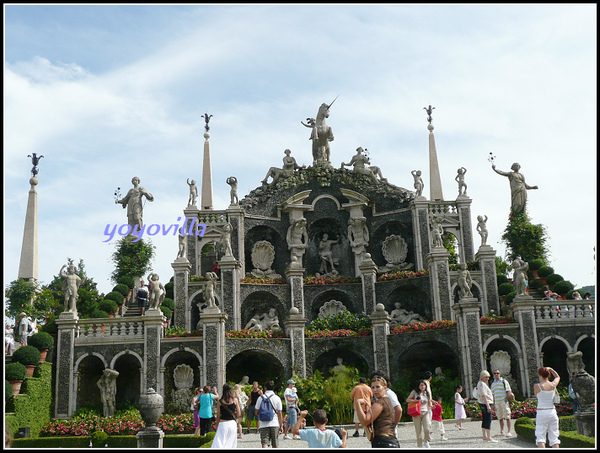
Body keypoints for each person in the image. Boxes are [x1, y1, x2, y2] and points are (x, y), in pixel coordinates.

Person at [355, 375, 400, 448]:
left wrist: (357, 404)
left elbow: (364, 421)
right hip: (391, 439)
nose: (375, 390)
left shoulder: (380, 403)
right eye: (372, 387)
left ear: (385, 388)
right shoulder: (388, 400)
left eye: (378, 387)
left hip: (382, 441)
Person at [534, 367, 561, 448]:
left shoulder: (537, 386)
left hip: (542, 412)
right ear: (548, 374)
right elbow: (557, 377)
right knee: (554, 438)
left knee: (540, 437)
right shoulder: (553, 385)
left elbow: (536, 395)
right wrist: (551, 369)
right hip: (552, 411)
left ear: (540, 375)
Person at [211, 383, 242, 449]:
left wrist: (216, 425)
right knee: (231, 445)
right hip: (232, 424)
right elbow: (239, 414)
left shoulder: (220, 402)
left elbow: (218, 416)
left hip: (223, 424)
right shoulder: (235, 400)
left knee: (219, 444)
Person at [255, 380, 283, 448]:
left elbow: (256, 412)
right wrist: (281, 425)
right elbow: (280, 413)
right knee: (275, 444)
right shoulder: (277, 398)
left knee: (264, 443)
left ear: (265, 388)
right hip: (274, 423)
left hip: (263, 424)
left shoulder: (260, 398)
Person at [406, 380, 433, 448]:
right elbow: (407, 400)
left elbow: (429, 403)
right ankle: (419, 446)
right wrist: (415, 400)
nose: (422, 387)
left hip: (425, 412)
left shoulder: (427, 393)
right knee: (418, 431)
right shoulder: (415, 392)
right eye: (421, 385)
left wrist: (432, 406)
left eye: (424, 385)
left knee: (427, 429)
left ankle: (426, 441)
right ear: (418, 386)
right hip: (416, 412)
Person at [490, 369, 513, 437]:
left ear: (500, 374)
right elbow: (493, 394)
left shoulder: (504, 381)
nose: (496, 374)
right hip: (497, 402)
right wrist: (493, 404)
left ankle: (509, 431)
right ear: (493, 375)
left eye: (497, 373)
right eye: (495, 373)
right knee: (500, 417)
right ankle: (502, 431)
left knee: (507, 416)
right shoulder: (493, 384)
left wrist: (505, 400)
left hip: (503, 401)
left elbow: (509, 391)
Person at [476, 370, 498, 442]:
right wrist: (488, 406)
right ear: (482, 377)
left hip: (483, 403)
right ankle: (489, 436)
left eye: (488, 377)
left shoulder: (480, 383)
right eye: (486, 377)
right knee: (488, 419)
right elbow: (484, 396)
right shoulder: (482, 384)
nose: (487, 379)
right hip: (485, 403)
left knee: (485, 419)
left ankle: (484, 436)